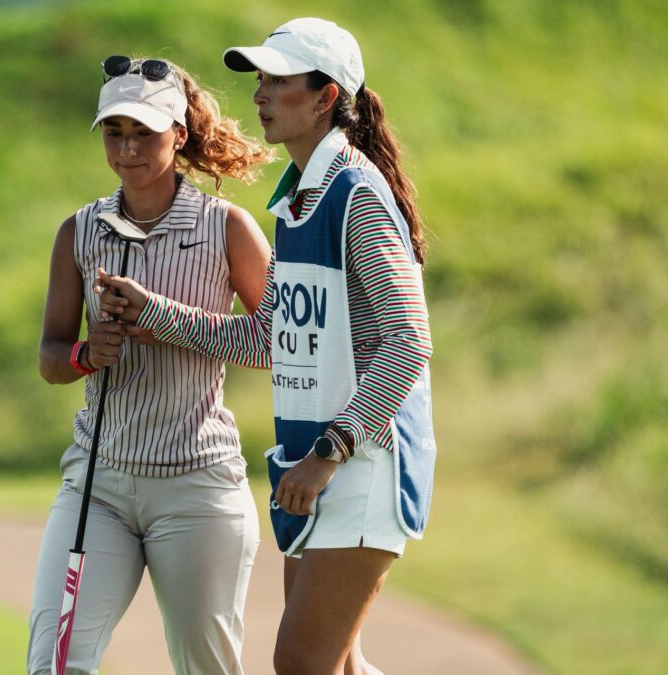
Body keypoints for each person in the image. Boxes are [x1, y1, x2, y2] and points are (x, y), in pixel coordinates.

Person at [98, 17, 436, 675]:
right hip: (320, 464)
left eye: (278, 81)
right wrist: (156, 313)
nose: (259, 95)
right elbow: (267, 338)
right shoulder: (300, 202)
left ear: (325, 96)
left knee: (301, 664)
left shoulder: (354, 195)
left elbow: (407, 340)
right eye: (260, 80)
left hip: (361, 463)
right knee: (334, 667)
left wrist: (329, 452)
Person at [27, 54, 273, 675]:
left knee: (205, 669)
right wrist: (88, 355)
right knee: (55, 665)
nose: (127, 148)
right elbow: (51, 357)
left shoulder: (227, 229)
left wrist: (159, 316)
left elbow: (278, 344)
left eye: (144, 132)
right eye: (114, 131)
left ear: (179, 136)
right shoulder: (79, 232)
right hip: (98, 484)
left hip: (197, 488)